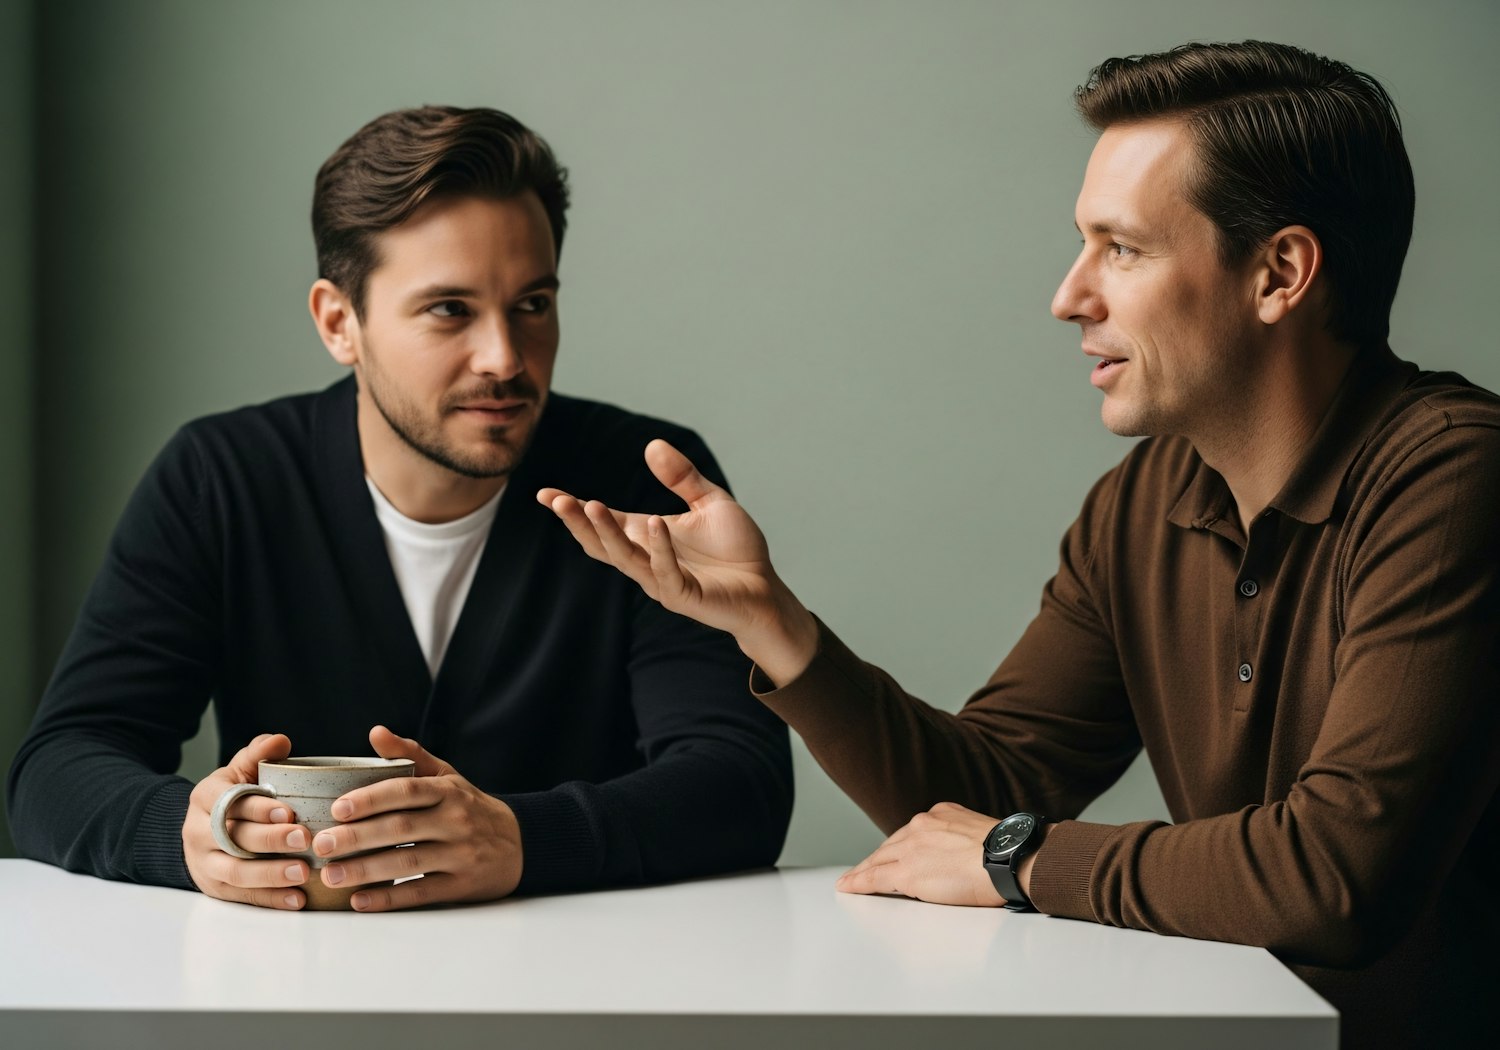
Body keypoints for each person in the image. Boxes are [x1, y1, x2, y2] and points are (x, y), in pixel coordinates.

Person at [537, 41, 1499, 1048]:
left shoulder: (1455, 479)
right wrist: (776, 626)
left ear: (1280, 273)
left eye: (1122, 249)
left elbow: (1337, 875)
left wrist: (1023, 859)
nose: (1069, 296)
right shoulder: (1147, 499)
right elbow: (982, 798)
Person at [6, 106, 793, 913]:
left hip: (589, 973)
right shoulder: (223, 478)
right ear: (339, 322)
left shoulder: (643, 482)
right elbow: (58, 766)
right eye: (450, 309)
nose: (504, 358)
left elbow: (742, 780)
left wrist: (523, 840)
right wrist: (189, 834)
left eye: (532, 304)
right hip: (295, 976)